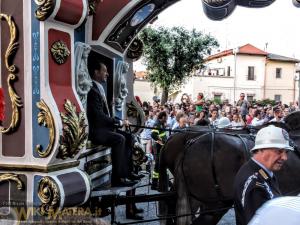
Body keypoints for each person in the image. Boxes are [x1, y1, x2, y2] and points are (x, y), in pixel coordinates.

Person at [86, 61, 139, 187]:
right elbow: (98, 116)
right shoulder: (92, 90)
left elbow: (106, 114)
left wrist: (119, 121)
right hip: (97, 131)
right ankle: (118, 178)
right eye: (104, 71)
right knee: (120, 139)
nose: (107, 74)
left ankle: (128, 172)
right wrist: (118, 122)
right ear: (96, 72)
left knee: (130, 137)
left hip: (105, 129)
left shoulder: (99, 88)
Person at [234, 125, 294, 225]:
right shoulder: (255, 183)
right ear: (261, 149)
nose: (284, 157)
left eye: (286, 152)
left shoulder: (262, 172)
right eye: (279, 151)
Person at [151, 111, 168, 190]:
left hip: (162, 147)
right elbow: (153, 134)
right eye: (166, 117)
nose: (167, 119)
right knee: (157, 166)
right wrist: (159, 140)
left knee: (160, 165)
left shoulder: (161, 124)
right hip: (158, 147)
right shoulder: (157, 124)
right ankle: (154, 184)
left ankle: (163, 182)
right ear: (163, 117)